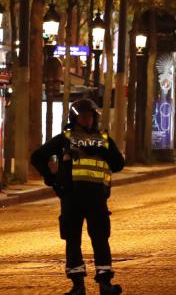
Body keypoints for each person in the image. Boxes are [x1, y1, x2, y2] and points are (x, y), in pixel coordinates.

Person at [30, 99, 125, 295]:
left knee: (100, 239)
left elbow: (118, 165)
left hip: (97, 199)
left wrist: (105, 153)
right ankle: (78, 286)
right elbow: (38, 156)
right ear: (75, 118)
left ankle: (105, 284)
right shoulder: (65, 138)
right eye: (83, 116)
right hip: (71, 197)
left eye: (90, 116)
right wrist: (52, 178)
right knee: (73, 241)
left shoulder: (104, 139)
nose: (87, 119)